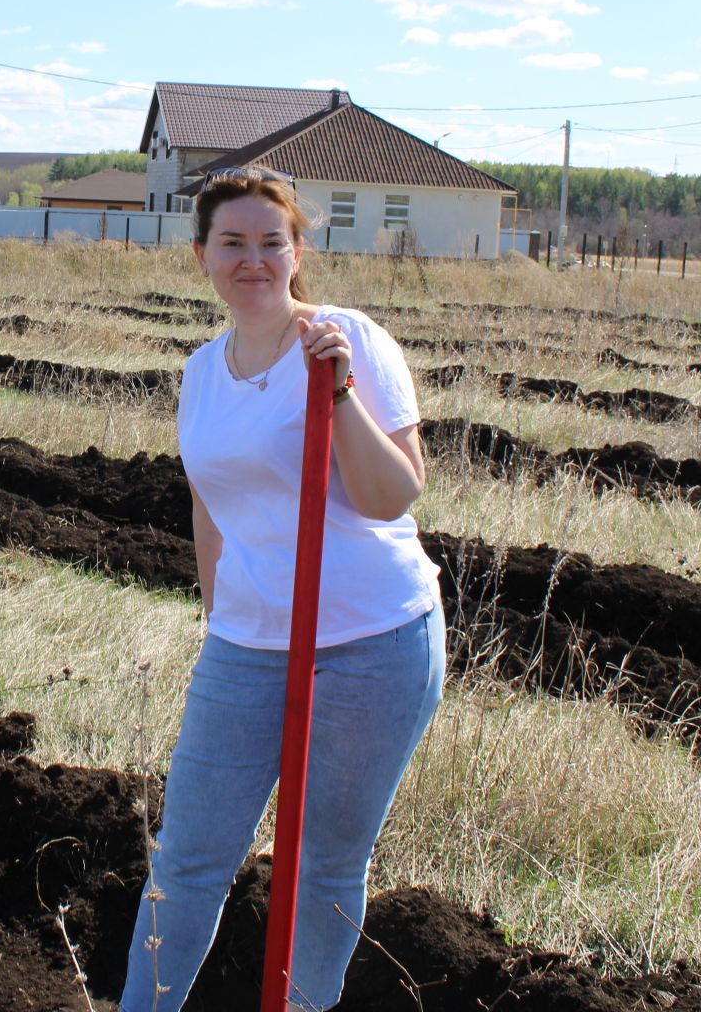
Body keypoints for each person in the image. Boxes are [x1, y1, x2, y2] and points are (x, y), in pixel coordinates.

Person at [120, 166, 445, 1010]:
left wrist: (336, 393)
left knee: (326, 861)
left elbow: (391, 495)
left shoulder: (348, 339)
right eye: (233, 242)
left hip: (372, 639)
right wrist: (217, 615)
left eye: (272, 242)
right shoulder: (201, 371)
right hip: (247, 643)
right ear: (201, 255)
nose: (253, 259)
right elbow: (209, 506)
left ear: (298, 250)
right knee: (188, 856)